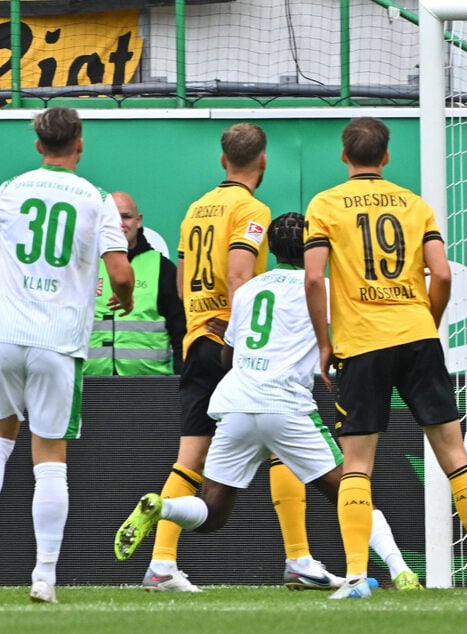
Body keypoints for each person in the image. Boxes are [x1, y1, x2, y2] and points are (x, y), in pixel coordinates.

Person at [114, 213, 421, 591]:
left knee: (211, 513)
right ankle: (400, 569)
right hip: (286, 407)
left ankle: (164, 507)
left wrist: (236, 341)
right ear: (313, 247)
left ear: (270, 250)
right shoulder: (321, 288)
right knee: (350, 491)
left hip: (237, 405)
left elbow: (227, 360)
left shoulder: (249, 290)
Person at [303, 117, 467, 599]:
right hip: (418, 337)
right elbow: (440, 274)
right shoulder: (414, 205)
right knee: (455, 455)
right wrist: (427, 323)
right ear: (387, 155)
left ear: (343, 155)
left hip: (363, 342)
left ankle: (356, 576)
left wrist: (324, 341)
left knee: (356, 464)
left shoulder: (326, 204)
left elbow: (314, 279)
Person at [0, 106, 135, 604]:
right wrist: (120, 301)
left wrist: (9, 251)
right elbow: (121, 276)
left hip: (4, 336)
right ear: (79, 143)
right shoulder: (96, 199)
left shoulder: (11, 188)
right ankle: (44, 578)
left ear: (38, 145)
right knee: (50, 459)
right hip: (56, 342)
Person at [140, 122, 275, 593]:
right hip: (229, 343)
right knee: (286, 434)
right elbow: (239, 277)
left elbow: (179, 282)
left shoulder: (196, 209)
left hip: (197, 338)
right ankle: (299, 557)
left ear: (223, 161)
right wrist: (239, 341)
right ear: (262, 161)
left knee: (190, 458)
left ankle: (161, 564)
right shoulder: (252, 209)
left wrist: (198, 324)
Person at [85, 191, 185, 376]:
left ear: (138, 221)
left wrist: (181, 383)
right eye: (113, 217)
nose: (120, 224)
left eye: (126, 217)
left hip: (150, 387)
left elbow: (180, 332)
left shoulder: (162, 268)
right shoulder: (84, 265)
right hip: (88, 384)